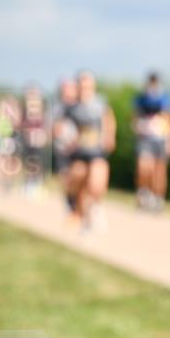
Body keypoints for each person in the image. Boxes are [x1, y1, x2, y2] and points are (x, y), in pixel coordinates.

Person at [64, 72, 116, 231]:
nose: (85, 89)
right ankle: (78, 211)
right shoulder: (71, 108)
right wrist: (68, 140)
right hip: (79, 152)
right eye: (82, 86)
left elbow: (109, 119)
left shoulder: (100, 103)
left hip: (97, 151)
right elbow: (65, 128)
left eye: (88, 86)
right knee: (78, 178)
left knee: (97, 183)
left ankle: (95, 208)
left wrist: (110, 136)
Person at [132, 72, 170, 212]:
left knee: (159, 171)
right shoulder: (141, 99)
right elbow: (134, 118)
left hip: (162, 138)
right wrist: (137, 126)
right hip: (145, 138)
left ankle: (158, 198)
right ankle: (143, 192)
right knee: (144, 166)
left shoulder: (166, 98)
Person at [51, 78, 79, 211]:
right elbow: (54, 129)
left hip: (77, 148)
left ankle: (77, 201)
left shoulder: (80, 106)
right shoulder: (57, 107)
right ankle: (70, 201)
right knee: (65, 177)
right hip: (62, 148)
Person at [20, 85, 49, 197]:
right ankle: (29, 182)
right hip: (27, 141)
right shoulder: (24, 111)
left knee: (37, 160)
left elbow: (46, 128)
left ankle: (36, 182)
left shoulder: (42, 111)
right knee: (30, 160)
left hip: (38, 142)